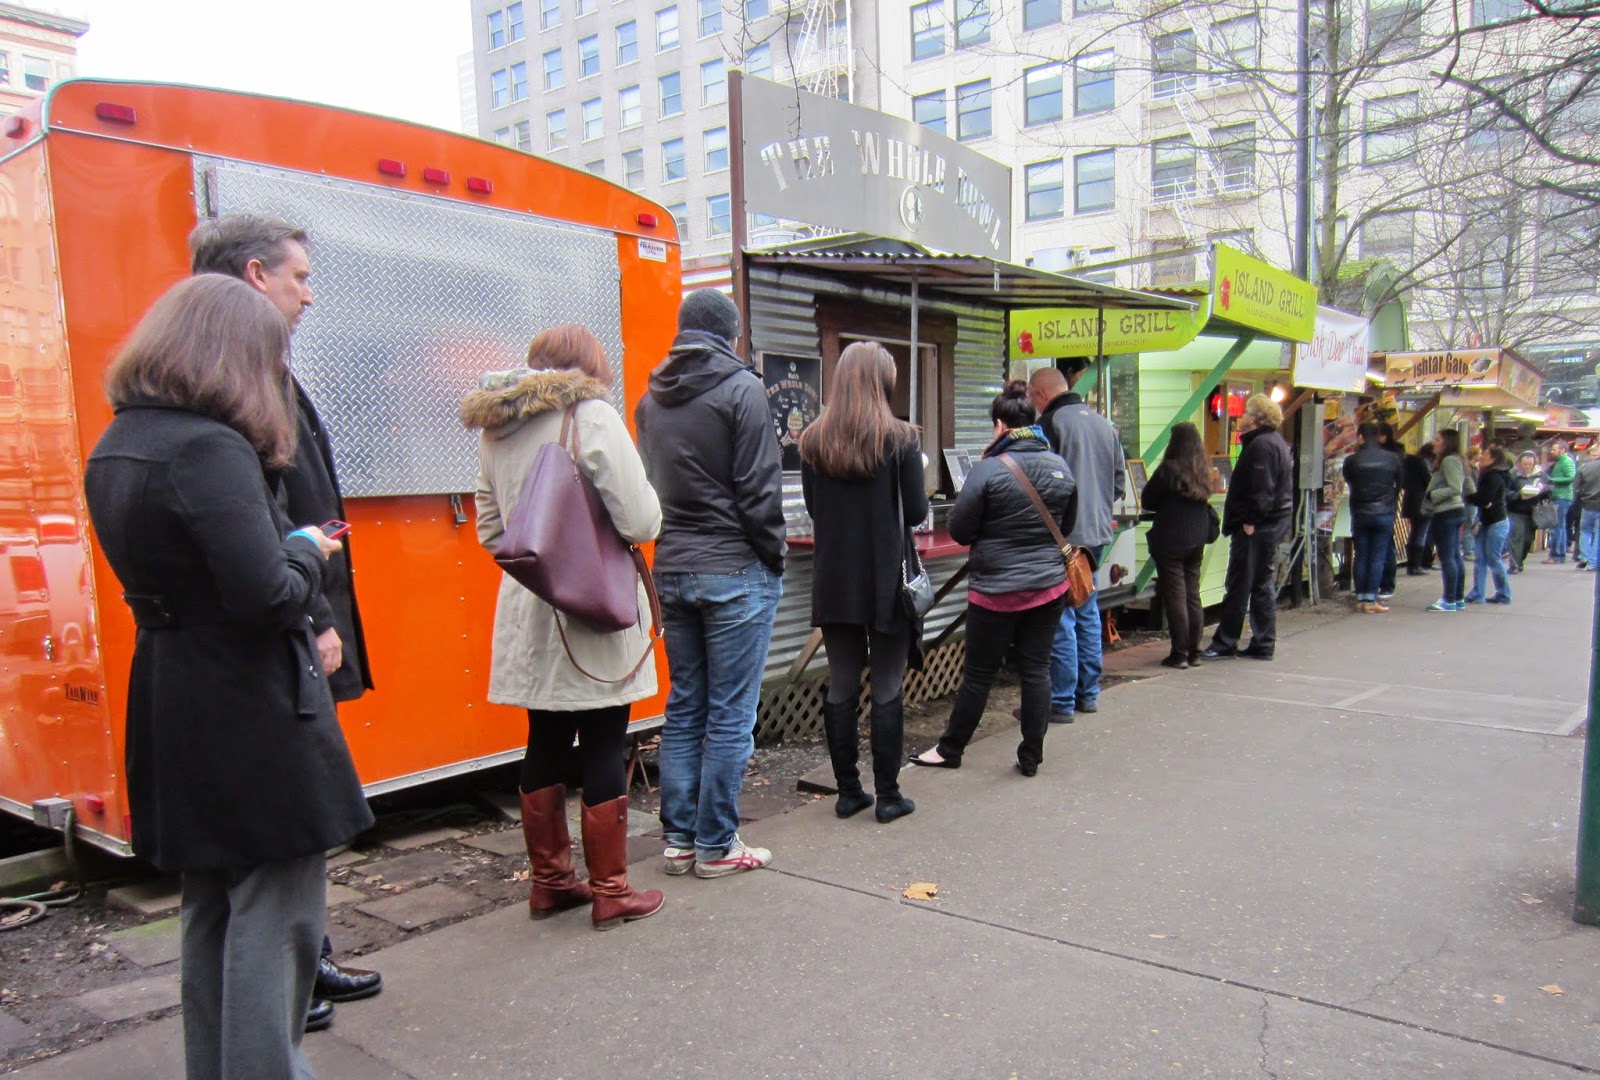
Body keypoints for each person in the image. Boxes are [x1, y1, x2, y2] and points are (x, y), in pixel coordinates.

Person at [84, 275, 373, 1080]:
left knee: (209, 905)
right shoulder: (211, 447)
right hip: (251, 702)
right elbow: (264, 595)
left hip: (173, 690)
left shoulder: (120, 441)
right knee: (277, 914)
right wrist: (307, 550)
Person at [188, 213, 381, 1024]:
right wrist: (313, 616)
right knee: (289, 816)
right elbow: (275, 514)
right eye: (299, 277)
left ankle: (310, 960)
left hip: (297, 598)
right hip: (284, 614)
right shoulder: (233, 380)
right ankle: (289, 981)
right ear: (256, 274)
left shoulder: (255, 368)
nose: (309, 293)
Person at [462, 325, 665, 930]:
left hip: (530, 607)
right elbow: (640, 517)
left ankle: (550, 884)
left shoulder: (497, 427)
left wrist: (545, 560)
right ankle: (611, 891)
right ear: (590, 367)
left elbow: (492, 533)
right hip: (592, 603)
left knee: (545, 739)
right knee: (604, 738)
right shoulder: (591, 416)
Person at [635, 289, 785, 878]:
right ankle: (717, 845)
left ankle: (678, 841)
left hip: (673, 565)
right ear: (731, 334)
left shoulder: (651, 401)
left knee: (687, 706)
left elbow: (654, 485)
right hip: (735, 568)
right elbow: (759, 490)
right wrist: (771, 555)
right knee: (730, 713)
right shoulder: (743, 389)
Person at [910, 382, 1076, 777]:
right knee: (1036, 669)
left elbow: (962, 530)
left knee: (979, 674)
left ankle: (951, 749)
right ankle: (1031, 757)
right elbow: (1066, 526)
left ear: (1000, 425)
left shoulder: (987, 469)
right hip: (1048, 586)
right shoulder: (1060, 466)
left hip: (996, 591)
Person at [799, 341, 925, 824]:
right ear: (881, 381)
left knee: (842, 684)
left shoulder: (812, 440)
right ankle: (889, 795)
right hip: (885, 577)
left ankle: (848, 792)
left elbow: (814, 508)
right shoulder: (901, 439)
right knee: (888, 684)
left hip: (834, 577)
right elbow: (914, 510)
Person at [1028, 364, 1125, 722]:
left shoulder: (1051, 425)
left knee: (1061, 615)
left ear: (1040, 394)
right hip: (1097, 533)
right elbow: (1117, 485)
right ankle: (1088, 693)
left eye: (1032, 398)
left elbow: (1043, 478)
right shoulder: (1104, 424)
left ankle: (1062, 700)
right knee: (1087, 608)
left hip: (1063, 536)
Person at [1202, 394, 1294, 660]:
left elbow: (1261, 490)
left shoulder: (1261, 447)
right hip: (1273, 523)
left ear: (1255, 417)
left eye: (1246, 413)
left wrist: (1250, 521)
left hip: (1258, 527)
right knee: (1261, 583)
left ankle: (1226, 640)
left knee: (1241, 583)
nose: (1241, 416)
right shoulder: (1276, 443)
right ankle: (1263, 641)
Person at [1140, 422, 1214, 667]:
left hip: (1172, 536)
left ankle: (1179, 652)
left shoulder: (1168, 470)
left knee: (1175, 594)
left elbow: (1148, 499)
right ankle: (1195, 651)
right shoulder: (1203, 469)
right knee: (1193, 593)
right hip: (1198, 534)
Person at [1343, 423, 1404, 614]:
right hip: (1384, 512)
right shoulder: (1392, 459)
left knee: (1361, 554)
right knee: (1377, 556)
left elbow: (1349, 480)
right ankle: (1370, 598)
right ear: (1378, 437)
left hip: (1360, 512)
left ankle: (1361, 597)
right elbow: (1399, 483)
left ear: (1361, 437)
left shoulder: (1352, 460)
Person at [1423, 429, 1471, 611]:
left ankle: (1449, 599)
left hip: (1446, 512)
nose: (1434, 443)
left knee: (1447, 557)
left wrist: (1433, 494)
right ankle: (1457, 598)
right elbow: (1469, 485)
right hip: (1456, 510)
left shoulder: (1450, 460)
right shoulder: (1459, 460)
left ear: (1446, 442)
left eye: (1437, 440)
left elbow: (1455, 487)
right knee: (1454, 556)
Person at [1465, 445, 1513, 605]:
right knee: (1482, 558)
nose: (1481, 455)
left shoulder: (1492, 476)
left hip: (1495, 522)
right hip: (1489, 520)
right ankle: (1479, 592)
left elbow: (1484, 499)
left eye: (1485, 453)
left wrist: (1471, 497)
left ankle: (1503, 593)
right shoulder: (1493, 474)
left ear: (1492, 458)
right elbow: (1486, 501)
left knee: (1491, 558)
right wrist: (1482, 501)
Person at [1505, 451, 1549, 574]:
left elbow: (1551, 488)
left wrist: (1543, 488)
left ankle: (1520, 561)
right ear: (1520, 463)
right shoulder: (1513, 474)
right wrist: (1519, 496)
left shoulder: (1541, 475)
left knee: (1528, 540)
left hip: (1533, 512)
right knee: (1516, 537)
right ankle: (1514, 565)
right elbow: (1505, 492)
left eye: (1530, 464)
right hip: (1516, 510)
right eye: (1525, 464)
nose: (1527, 467)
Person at [1375, 422, 1405, 597]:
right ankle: (1381, 583)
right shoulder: (1397, 454)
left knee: (1385, 544)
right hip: (1387, 503)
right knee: (1384, 543)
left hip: (1385, 504)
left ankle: (1386, 583)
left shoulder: (1391, 455)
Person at [1402, 444, 1435, 574]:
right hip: (1423, 501)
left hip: (1410, 499)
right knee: (1421, 533)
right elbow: (1429, 481)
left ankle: (1411, 563)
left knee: (1414, 532)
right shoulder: (1425, 463)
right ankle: (1416, 565)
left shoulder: (1410, 462)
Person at [1546, 440, 1577, 564]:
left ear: (1562, 450)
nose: (1552, 452)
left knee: (1557, 526)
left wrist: (1552, 480)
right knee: (1561, 526)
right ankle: (1559, 554)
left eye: (1554, 449)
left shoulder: (1566, 462)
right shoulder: (1561, 462)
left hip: (1562, 496)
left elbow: (1571, 477)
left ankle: (1556, 555)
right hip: (1561, 496)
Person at [1578, 445, 1600, 571]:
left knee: (1585, 531)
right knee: (1598, 534)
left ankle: (1584, 556)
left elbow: (1577, 487)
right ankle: (1593, 562)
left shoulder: (1584, 467)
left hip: (1586, 503)